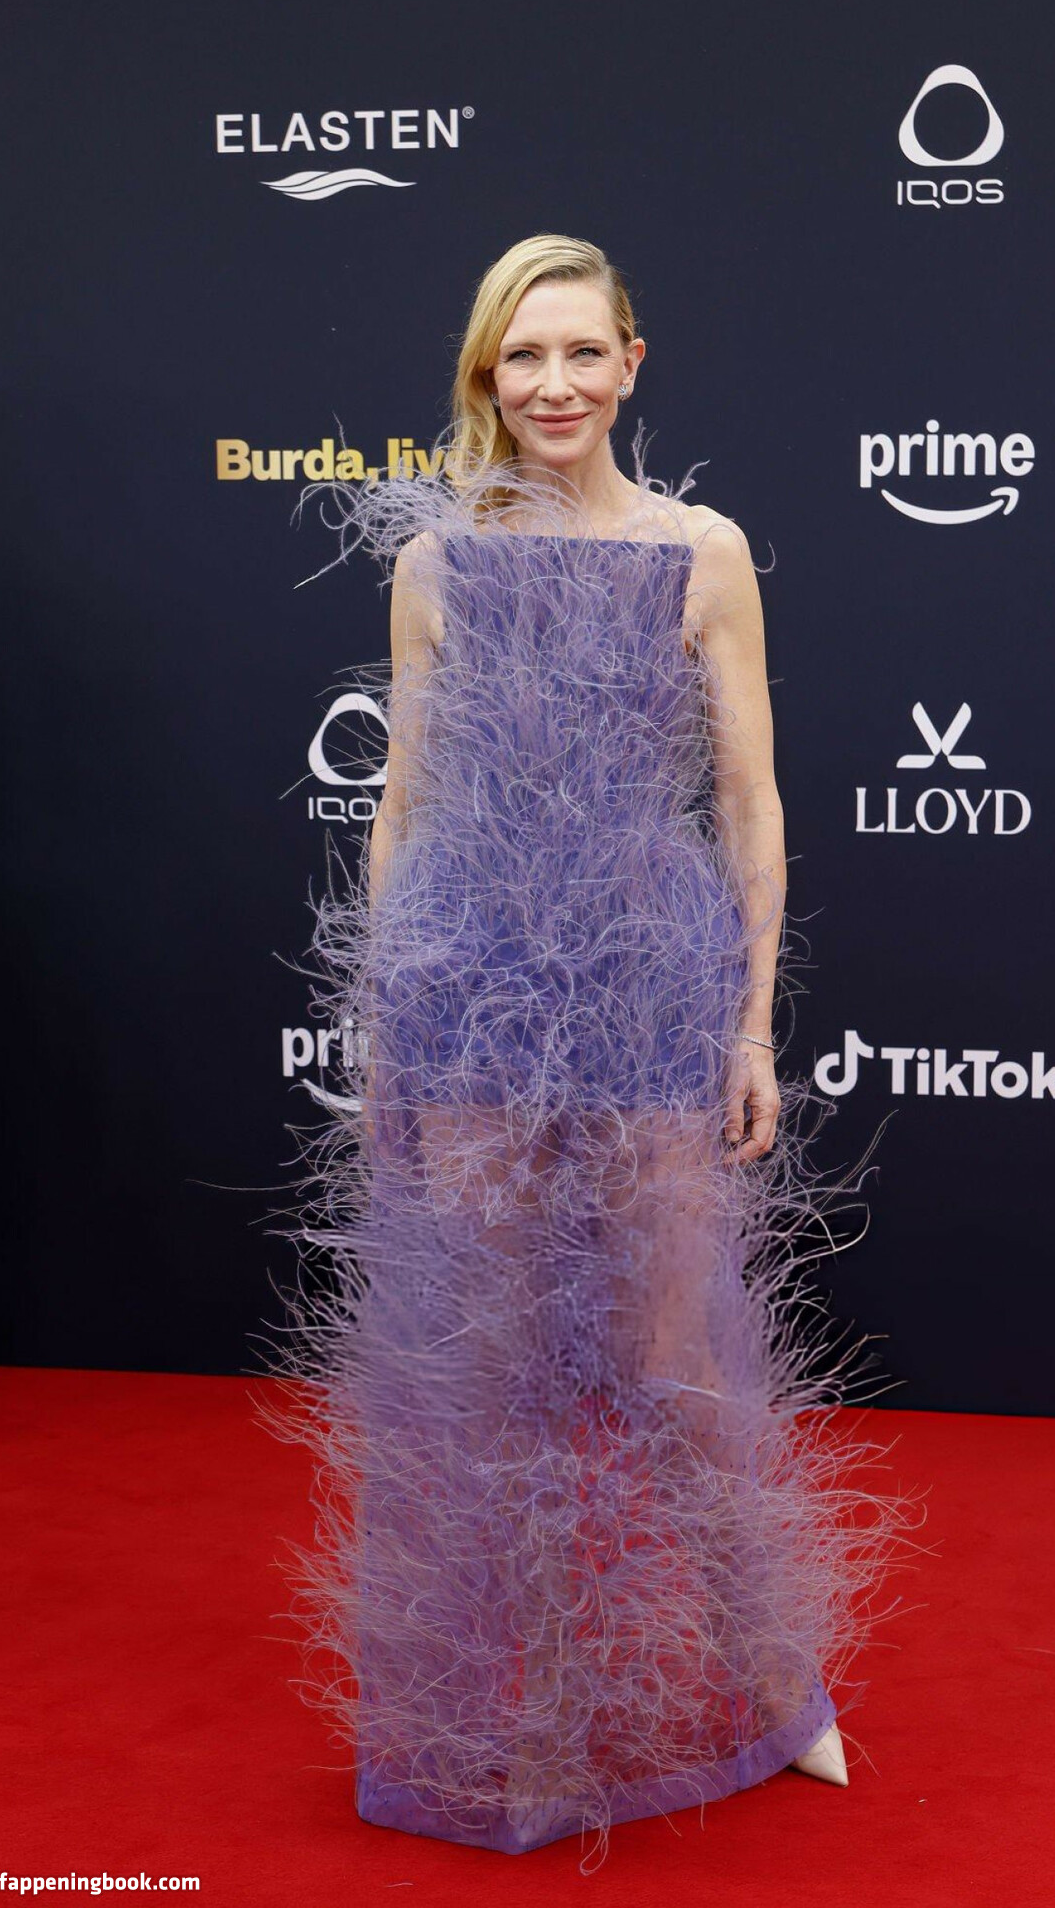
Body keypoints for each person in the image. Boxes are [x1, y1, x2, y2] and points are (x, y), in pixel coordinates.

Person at [260, 234, 921, 1867]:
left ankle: (775, 1687)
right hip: (469, 991)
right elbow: (402, 808)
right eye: (521, 357)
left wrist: (752, 1021)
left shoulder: (703, 551)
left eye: (580, 353)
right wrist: (390, 1021)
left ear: (632, 361)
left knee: (678, 1356)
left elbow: (750, 803)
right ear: (485, 378)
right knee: (479, 1372)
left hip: (648, 993)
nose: (551, 386)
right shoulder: (434, 564)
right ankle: (508, 1719)